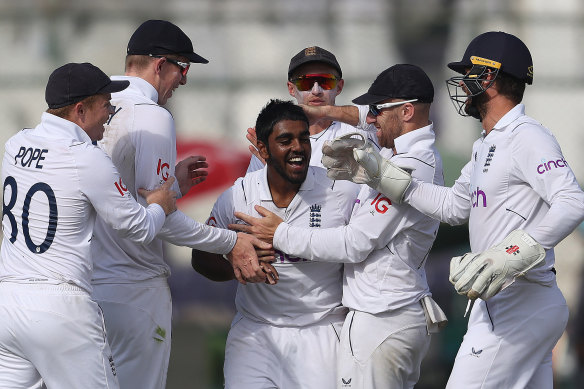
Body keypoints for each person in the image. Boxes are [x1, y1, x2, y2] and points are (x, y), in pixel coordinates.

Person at [328, 31, 584, 388]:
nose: (462, 84)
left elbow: (572, 202)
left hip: (520, 302)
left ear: (489, 79)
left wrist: (509, 254)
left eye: (469, 74)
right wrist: (383, 176)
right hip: (503, 304)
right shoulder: (486, 144)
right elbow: (453, 206)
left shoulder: (527, 136)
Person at [231, 64, 447, 388]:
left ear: (405, 111)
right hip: (383, 316)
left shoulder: (410, 165)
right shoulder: (398, 151)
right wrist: (327, 111)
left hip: (383, 320)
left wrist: (280, 233)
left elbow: (353, 244)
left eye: (377, 110)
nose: (369, 118)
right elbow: (362, 116)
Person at [90, 19, 269, 389]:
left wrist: (173, 187)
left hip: (83, 288)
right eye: (183, 68)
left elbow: (122, 200)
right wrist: (232, 242)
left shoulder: (93, 103)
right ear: (161, 65)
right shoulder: (152, 114)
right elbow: (161, 222)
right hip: (133, 288)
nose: (184, 81)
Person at [0, 62, 177, 388]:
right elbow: (138, 228)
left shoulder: (15, 145)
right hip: (61, 307)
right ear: (80, 110)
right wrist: (159, 206)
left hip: (7, 305)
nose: (110, 113)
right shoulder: (85, 156)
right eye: (105, 105)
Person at [192, 99, 359, 388]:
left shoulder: (341, 191)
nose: (298, 147)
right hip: (256, 332)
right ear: (264, 150)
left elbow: (361, 247)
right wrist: (237, 265)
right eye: (285, 140)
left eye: (303, 138)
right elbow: (200, 258)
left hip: (322, 332)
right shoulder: (239, 195)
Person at [247, 45, 378, 171]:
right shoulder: (274, 141)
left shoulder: (360, 129)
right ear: (291, 89)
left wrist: (324, 112)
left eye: (325, 81)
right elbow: (253, 192)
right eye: (306, 82)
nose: (316, 91)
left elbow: (388, 114)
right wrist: (275, 175)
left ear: (339, 87)